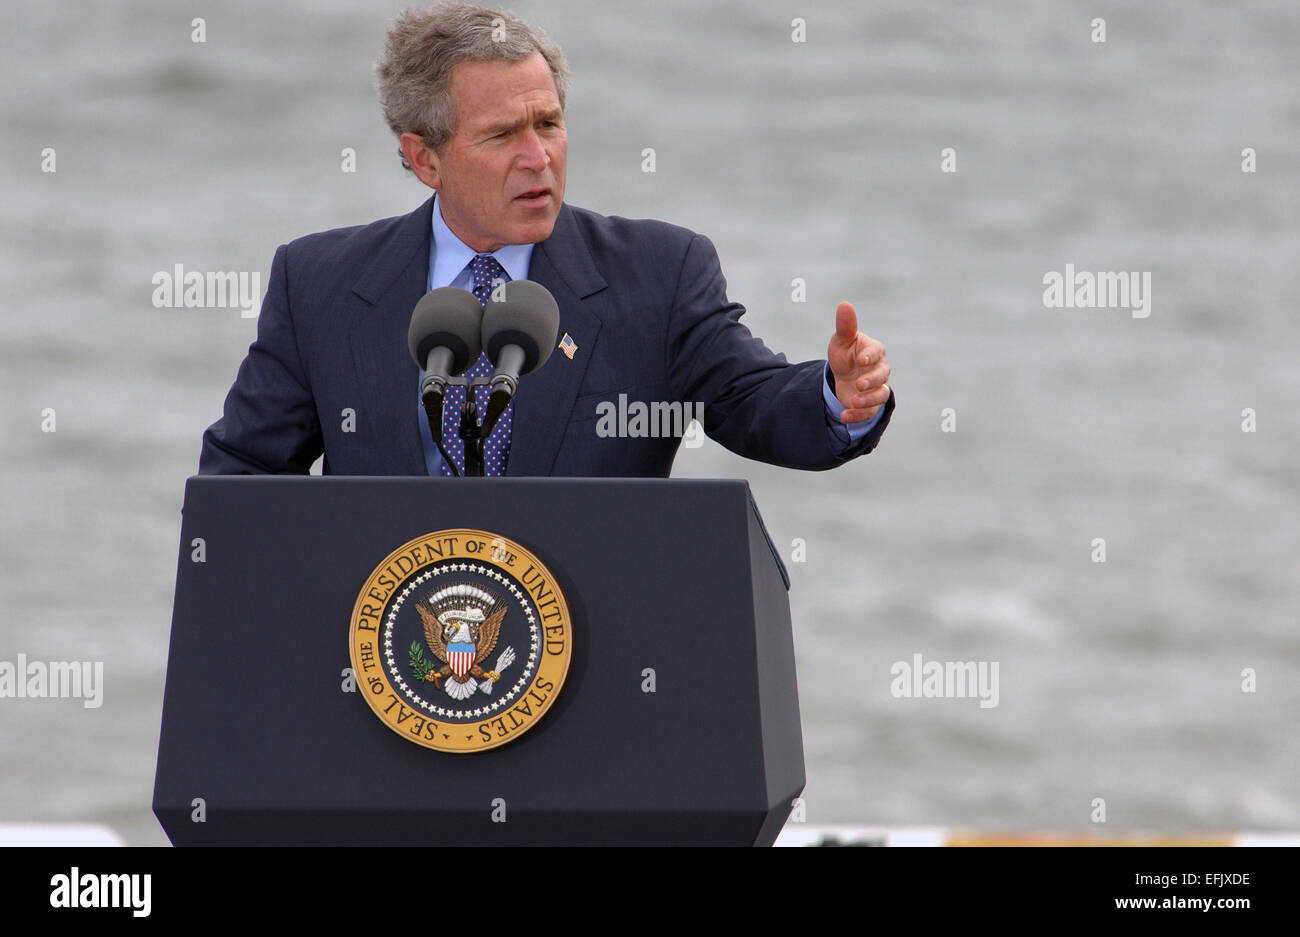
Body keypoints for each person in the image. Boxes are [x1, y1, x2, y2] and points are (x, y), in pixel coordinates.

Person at [199, 2, 894, 478]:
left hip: (591, 661)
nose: (538, 158)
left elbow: (753, 403)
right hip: (387, 666)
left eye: (549, 125)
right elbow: (241, 479)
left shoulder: (659, 274)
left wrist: (837, 394)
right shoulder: (317, 281)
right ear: (424, 159)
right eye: (503, 135)